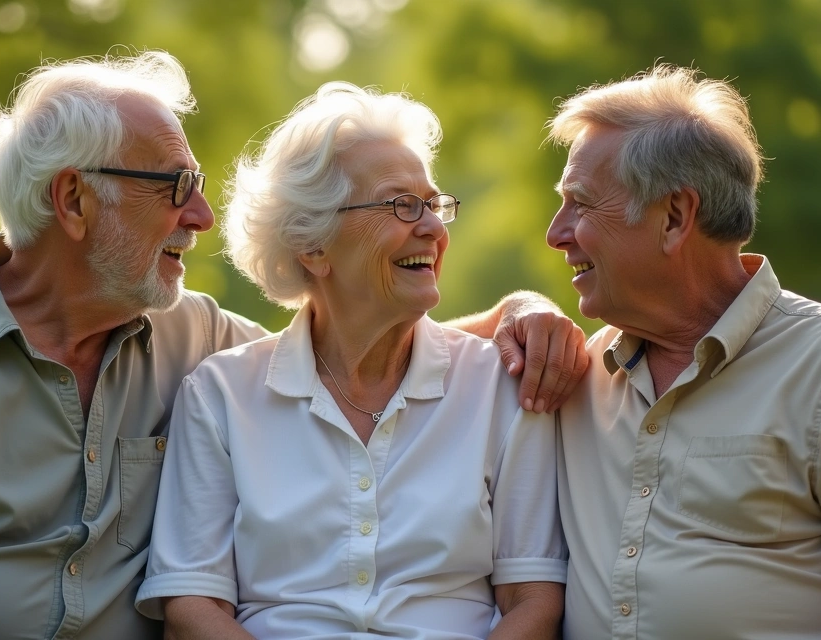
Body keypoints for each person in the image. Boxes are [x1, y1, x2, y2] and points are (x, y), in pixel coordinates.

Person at [0, 52, 584, 639]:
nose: (202, 215)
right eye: (173, 186)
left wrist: (521, 311)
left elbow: (348, 341)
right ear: (73, 199)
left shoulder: (192, 338)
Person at [132, 83, 568, 639]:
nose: (432, 227)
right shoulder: (220, 394)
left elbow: (533, 603)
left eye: (434, 205)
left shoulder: (501, 387)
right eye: (401, 205)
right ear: (312, 245)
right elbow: (193, 608)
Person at [546, 64, 821, 639]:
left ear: (674, 217)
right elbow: (404, 347)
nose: (555, 232)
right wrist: (518, 307)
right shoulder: (575, 371)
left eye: (581, 205)